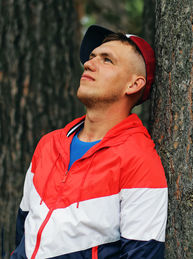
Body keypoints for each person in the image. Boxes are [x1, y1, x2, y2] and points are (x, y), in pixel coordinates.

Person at [11, 25, 168, 259]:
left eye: (107, 60)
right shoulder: (49, 144)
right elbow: (24, 231)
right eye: (92, 56)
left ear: (134, 84)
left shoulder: (140, 160)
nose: (89, 63)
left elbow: (143, 254)